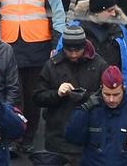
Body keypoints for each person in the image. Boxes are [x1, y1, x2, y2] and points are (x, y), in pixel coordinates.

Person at [0, 0, 65, 154]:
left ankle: (28, 137)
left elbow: (58, 15)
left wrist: (56, 43)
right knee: (12, 95)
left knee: (33, 96)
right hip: (8, 46)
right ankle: (14, 137)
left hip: (37, 47)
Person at [33, 24, 108, 161]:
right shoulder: (52, 65)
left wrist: (86, 97)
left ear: (84, 46)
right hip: (57, 140)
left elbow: (109, 96)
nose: (73, 55)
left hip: (88, 139)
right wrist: (57, 94)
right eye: (69, 50)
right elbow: (37, 97)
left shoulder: (99, 65)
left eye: (77, 50)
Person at [64, 66, 127, 166]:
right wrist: (84, 110)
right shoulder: (90, 110)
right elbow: (72, 138)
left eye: (116, 94)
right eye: (107, 94)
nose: (111, 99)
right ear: (101, 89)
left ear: (124, 88)